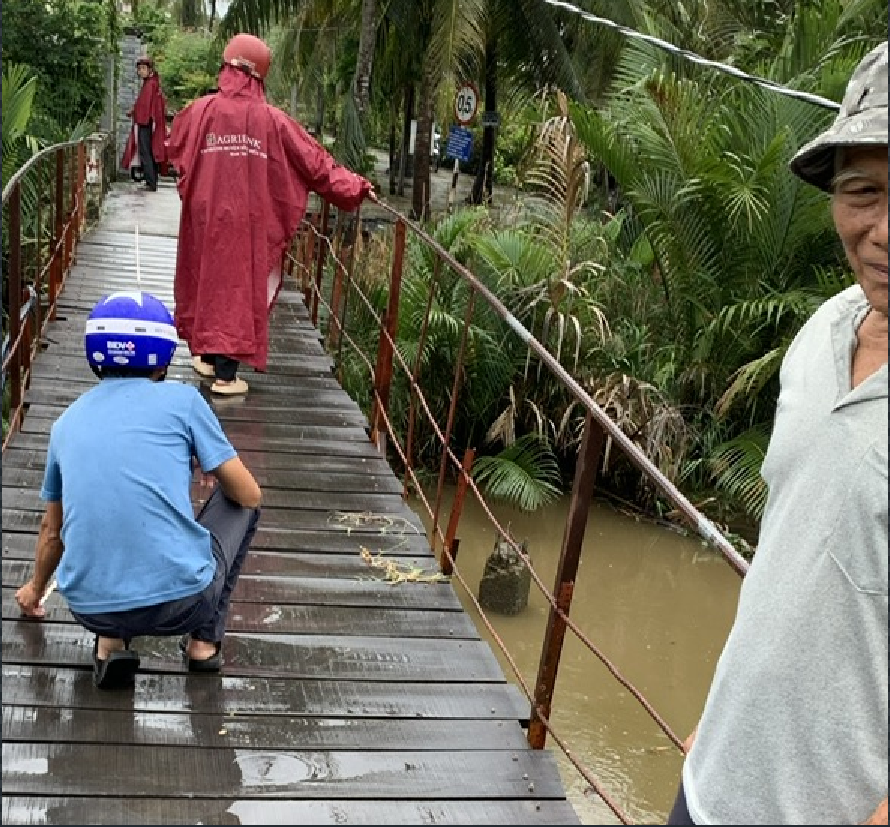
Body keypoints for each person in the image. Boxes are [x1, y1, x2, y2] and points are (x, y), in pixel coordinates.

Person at [668, 42, 888, 826]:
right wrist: (723, 715)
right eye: (864, 190)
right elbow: (793, 551)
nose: (884, 229)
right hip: (710, 782)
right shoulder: (823, 330)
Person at [14, 291, 263, 690]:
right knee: (240, 504)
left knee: (109, 541)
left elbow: (52, 531)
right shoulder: (183, 401)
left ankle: (110, 644)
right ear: (163, 356)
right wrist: (204, 458)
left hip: (91, 608)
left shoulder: (65, 424)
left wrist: (34, 591)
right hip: (182, 604)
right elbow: (248, 495)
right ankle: (203, 643)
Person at [166, 33, 376, 396]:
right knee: (236, 288)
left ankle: (206, 354)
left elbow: (172, 147)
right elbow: (317, 165)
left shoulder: (200, 111)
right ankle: (225, 377)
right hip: (245, 222)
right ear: (260, 74)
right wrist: (355, 187)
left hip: (205, 216)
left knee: (205, 277)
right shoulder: (273, 121)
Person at [121, 57, 168, 192]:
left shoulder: (151, 85)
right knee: (147, 151)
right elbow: (143, 103)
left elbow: (148, 106)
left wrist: (140, 115)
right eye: (139, 69)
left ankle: (150, 181)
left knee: (146, 151)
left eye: (143, 69)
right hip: (146, 121)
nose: (140, 71)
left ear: (150, 70)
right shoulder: (150, 84)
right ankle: (151, 180)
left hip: (146, 122)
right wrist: (134, 110)